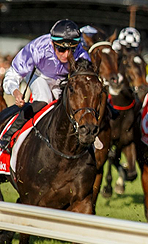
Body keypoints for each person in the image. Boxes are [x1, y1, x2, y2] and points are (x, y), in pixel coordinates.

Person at [0, 19, 91, 151]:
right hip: (40, 76)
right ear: (52, 43)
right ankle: (9, 134)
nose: (66, 55)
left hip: (63, 80)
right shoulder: (37, 47)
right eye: (61, 49)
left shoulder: (81, 53)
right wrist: (15, 91)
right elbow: (13, 73)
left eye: (71, 50)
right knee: (45, 99)